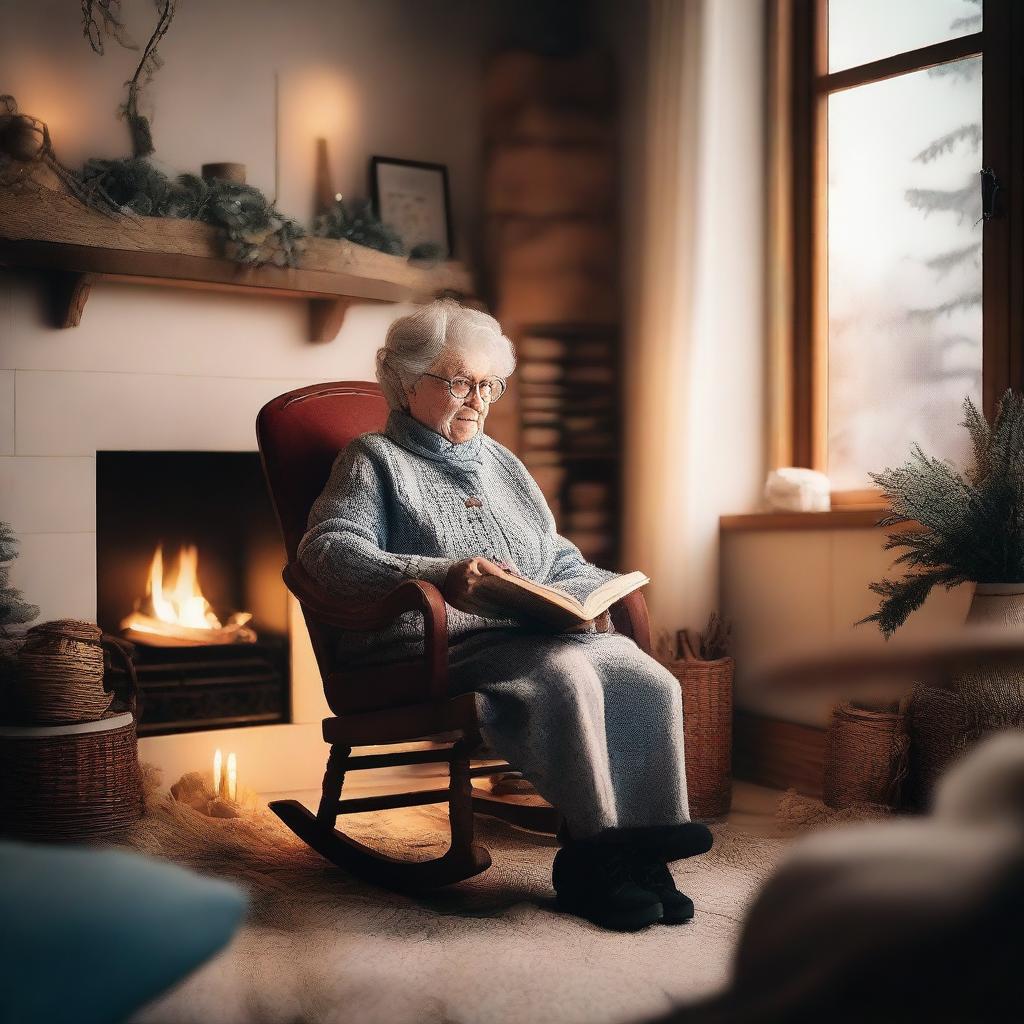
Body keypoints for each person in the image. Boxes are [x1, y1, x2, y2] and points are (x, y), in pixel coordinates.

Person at [297, 297, 712, 931]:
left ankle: (645, 855)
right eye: (459, 382)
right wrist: (440, 572)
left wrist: (588, 597)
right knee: (564, 677)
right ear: (406, 383)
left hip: (522, 632)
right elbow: (326, 552)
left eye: (490, 384)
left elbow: (553, 555)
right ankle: (593, 862)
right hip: (423, 641)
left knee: (643, 674)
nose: (479, 399)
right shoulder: (373, 459)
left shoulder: (502, 464)